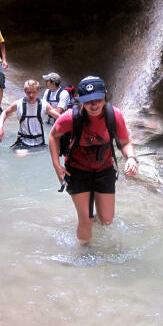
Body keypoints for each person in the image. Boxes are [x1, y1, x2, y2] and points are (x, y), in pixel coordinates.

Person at [49, 76, 138, 245]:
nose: (94, 105)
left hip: (104, 169)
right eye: (88, 101)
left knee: (106, 220)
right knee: (86, 220)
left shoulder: (114, 115)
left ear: (105, 95)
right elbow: (53, 136)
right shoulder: (70, 117)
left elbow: (125, 142)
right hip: (77, 171)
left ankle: (90, 223)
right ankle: (84, 254)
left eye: (98, 99)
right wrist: (56, 166)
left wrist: (131, 159)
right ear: (81, 100)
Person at [0, 79, 60, 150]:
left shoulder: (44, 105)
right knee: (21, 155)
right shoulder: (18, 104)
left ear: (38, 90)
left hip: (39, 143)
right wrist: (0, 127)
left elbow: (60, 118)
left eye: (34, 92)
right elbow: (5, 112)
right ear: (24, 90)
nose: (31, 95)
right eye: (28, 92)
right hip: (23, 142)